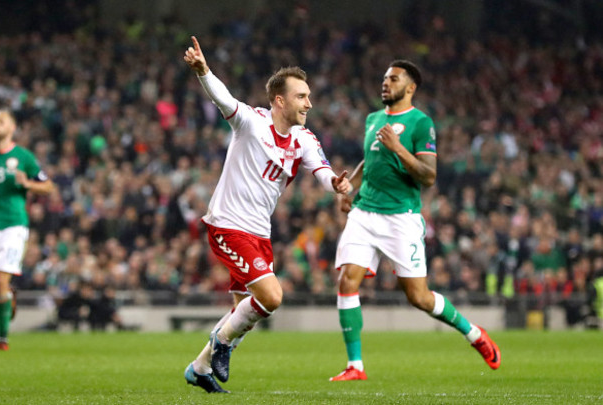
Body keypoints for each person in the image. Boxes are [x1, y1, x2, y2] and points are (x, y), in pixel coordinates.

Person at [182, 36, 351, 393]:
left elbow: (322, 172)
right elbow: (223, 98)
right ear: (279, 100)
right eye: (301, 96)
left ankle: (199, 368)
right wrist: (204, 72)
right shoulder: (252, 123)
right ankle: (221, 343)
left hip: (260, 234)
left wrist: (335, 184)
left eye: (308, 96)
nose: (309, 102)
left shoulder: (305, 139)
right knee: (271, 297)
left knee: (244, 311)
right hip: (228, 225)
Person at [330, 60, 501, 381]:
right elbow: (371, 157)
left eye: (393, 79)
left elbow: (429, 175)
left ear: (410, 88)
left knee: (419, 297)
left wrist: (399, 149)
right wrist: (348, 186)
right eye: (384, 78)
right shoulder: (373, 119)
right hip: (364, 212)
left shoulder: (421, 123)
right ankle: (356, 366)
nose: (385, 83)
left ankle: (475, 334)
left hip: (401, 218)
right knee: (346, 281)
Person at [0, 108, 55, 351]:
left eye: (2, 122)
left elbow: (48, 186)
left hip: (13, 225)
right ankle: (8, 297)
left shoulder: (23, 157)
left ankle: (2, 340)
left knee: (1, 279)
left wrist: (27, 183)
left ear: (12, 128)